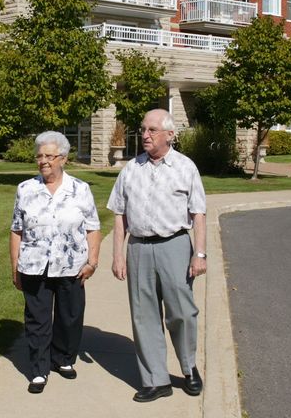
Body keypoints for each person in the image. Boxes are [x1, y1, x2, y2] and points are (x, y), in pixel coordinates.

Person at [108, 108, 207, 402]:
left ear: (169, 135)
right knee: (143, 315)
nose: (145, 135)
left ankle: (189, 368)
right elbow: (119, 215)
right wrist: (117, 255)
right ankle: (155, 380)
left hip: (174, 245)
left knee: (182, 313)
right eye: (143, 129)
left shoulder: (186, 167)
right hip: (138, 247)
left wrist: (199, 254)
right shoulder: (131, 169)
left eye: (152, 130)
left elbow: (198, 214)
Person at [9, 130, 102, 394]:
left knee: (70, 317)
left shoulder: (80, 190)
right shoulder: (26, 189)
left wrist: (92, 261)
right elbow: (17, 230)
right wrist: (14, 267)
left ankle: (63, 359)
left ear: (63, 158)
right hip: (34, 265)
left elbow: (93, 228)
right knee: (37, 319)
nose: (43, 161)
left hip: (72, 265)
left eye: (49, 156)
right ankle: (38, 370)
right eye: (39, 156)